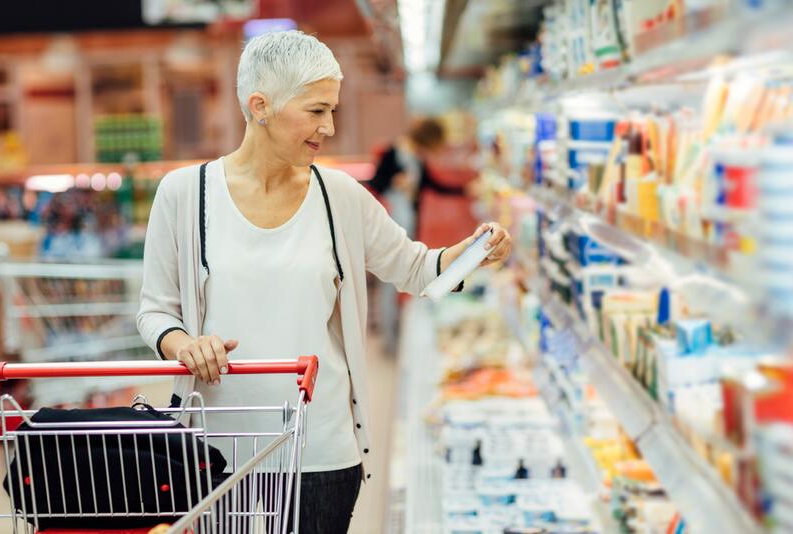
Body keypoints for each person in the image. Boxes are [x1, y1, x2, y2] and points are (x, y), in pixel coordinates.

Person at [136, 30, 512, 534]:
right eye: (316, 111)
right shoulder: (184, 194)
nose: (329, 127)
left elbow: (419, 270)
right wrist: (183, 343)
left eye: (332, 110)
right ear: (260, 105)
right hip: (212, 452)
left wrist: (473, 253)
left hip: (320, 451)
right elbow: (155, 310)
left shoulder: (341, 196)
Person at [369, 118, 467, 352]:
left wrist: (463, 190)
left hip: (408, 225)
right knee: (389, 282)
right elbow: (376, 183)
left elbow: (432, 185)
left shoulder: (418, 158)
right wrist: (394, 182)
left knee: (403, 277)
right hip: (390, 225)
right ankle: (388, 338)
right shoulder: (393, 153)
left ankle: (396, 334)